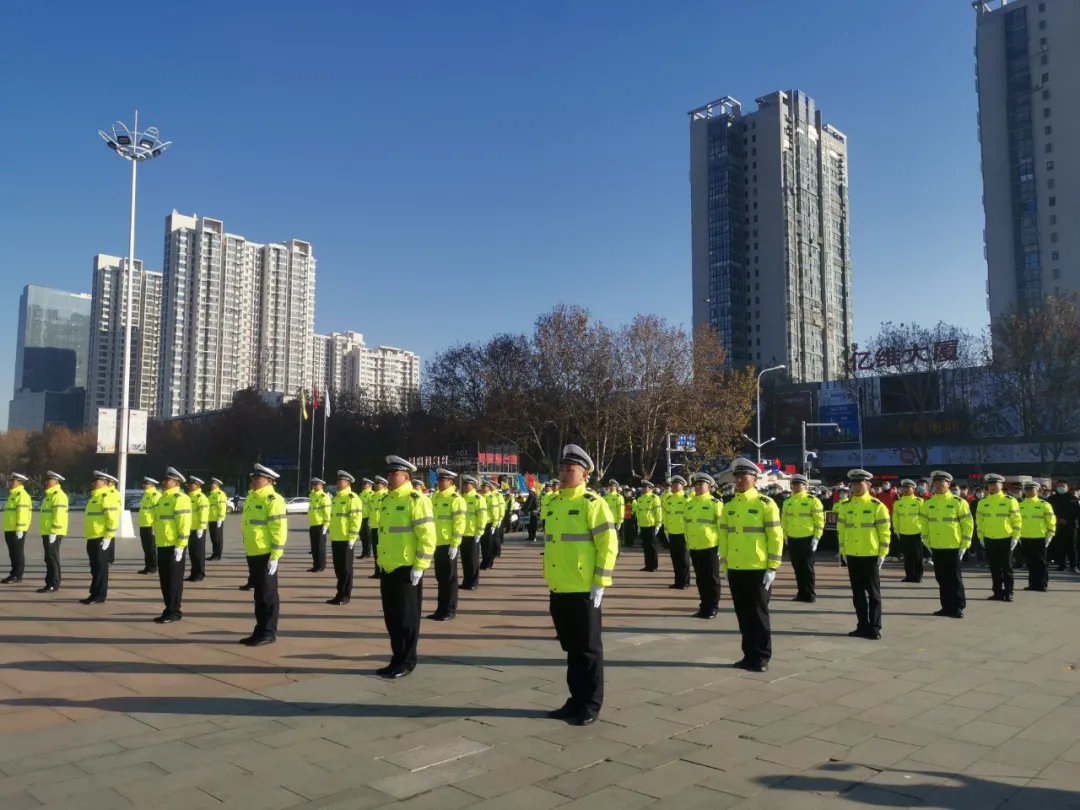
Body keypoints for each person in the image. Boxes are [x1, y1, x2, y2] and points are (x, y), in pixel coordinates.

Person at [544, 444, 618, 726]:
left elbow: (608, 545)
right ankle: (575, 699)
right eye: (562, 469)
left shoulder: (592, 503)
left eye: (570, 470)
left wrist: (601, 581)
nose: (564, 474)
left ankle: (591, 703)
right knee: (572, 649)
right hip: (559, 586)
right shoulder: (554, 502)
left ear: (584, 474)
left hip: (584, 588)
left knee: (588, 650)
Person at [374, 456, 436, 678]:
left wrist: (420, 565)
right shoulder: (387, 500)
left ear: (407, 477)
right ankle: (396, 657)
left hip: (406, 567)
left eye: (394, 474)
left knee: (407, 617)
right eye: (389, 474)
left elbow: (427, 536)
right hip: (388, 566)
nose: (390, 477)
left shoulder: (416, 500)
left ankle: (407, 660)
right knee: (392, 617)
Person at [720, 458, 783, 672]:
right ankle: (748, 654)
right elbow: (725, 538)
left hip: (758, 568)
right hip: (736, 568)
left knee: (758, 615)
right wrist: (725, 565)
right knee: (743, 615)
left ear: (754, 479)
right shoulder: (729, 506)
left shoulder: (765, 503)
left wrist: (773, 566)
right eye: (736, 477)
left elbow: (775, 536)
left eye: (743, 477)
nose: (738, 481)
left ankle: (762, 657)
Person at [836, 469, 890, 639]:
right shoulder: (845, 506)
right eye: (854, 483)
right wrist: (843, 551)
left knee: (873, 594)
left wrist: (883, 553)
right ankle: (862, 625)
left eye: (860, 483)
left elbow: (885, 531)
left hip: (870, 554)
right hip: (852, 554)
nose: (857, 486)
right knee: (857, 594)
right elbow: (841, 530)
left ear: (868, 485)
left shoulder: (877, 506)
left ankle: (874, 627)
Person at [240, 463, 287, 645]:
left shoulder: (273, 500)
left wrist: (275, 556)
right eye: (253, 478)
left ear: (269, 480)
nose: (253, 480)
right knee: (259, 594)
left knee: (267, 594)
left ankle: (268, 632)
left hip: (266, 553)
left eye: (257, 478)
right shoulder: (252, 498)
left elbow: (279, 530)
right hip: (253, 551)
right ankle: (259, 630)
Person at [920, 470, 974, 619]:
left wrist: (965, 544)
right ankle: (946, 606)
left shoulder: (958, 502)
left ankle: (957, 606)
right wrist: (927, 542)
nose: (938, 485)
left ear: (948, 484)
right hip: (936, 546)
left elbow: (968, 524)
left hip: (953, 546)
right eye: (936, 483)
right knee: (942, 578)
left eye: (941, 482)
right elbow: (923, 524)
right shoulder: (928, 504)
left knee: (954, 578)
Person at [153, 467, 191, 623]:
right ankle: (168, 608)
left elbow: (184, 523)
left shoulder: (180, 498)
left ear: (176, 482)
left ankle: (175, 611)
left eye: (167, 480)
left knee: (174, 580)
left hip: (174, 545)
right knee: (165, 580)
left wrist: (181, 545)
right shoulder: (163, 498)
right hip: (162, 543)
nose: (164, 482)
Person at [976, 473, 1021, 602]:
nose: (993, 487)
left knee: (1007, 568)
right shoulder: (983, 502)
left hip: (1006, 538)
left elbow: (1017, 521)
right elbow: (979, 521)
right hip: (989, 538)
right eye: (990, 484)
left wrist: (1015, 537)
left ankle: (1009, 592)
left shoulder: (1009, 501)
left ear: (1001, 485)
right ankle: (997, 592)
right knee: (994, 568)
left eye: (996, 484)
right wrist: (981, 537)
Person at [781, 474, 825, 603]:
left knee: (807, 567)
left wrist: (816, 537)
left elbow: (819, 521)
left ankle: (810, 593)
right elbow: (784, 520)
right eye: (794, 484)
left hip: (807, 538)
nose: (796, 487)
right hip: (793, 538)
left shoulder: (813, 500)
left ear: (805, 486)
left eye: (799, 484)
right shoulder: (787, 502)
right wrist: (786, 537)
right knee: (797, 567)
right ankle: (801, 593)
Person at [429, 468, 466, 620]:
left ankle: (450, 610)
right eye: (438, 480)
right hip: (437, 543)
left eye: (442, 480)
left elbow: (459, 523)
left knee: (450, 578)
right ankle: (440, 608)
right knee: (440, 577)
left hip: (448, 544)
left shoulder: (456, 499)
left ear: (450, 482)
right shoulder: (436, 497)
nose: (439, 483)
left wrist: (455, 544)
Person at [684, 472, 722, 618]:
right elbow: (687, 525)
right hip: (695, 546)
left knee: (712, 578)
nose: (698, 487)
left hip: (711, 546)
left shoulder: (715, 504)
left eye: (702, 484)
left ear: (709, 486)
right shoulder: (690, 504)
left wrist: (721, 547)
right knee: (700, 579)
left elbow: (721, 527)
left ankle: (713, 606)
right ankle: (704, 605)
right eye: (696, 484)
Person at [82, 471, 119, 604]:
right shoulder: (94, 497)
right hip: (92, 536)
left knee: (101, 568)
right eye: (94, 480)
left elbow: (112, 519)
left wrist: (108, 536)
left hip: (101, 538)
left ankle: (100, 595)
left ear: (104, 483)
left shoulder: (106, 497)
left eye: (98, 480)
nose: (94, 482)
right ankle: (94, 593)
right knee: (94, 567)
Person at [327, 471, 362, 605]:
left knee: (346, 569)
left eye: (340, 481)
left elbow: (356, 519)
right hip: (336, 538)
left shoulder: (352, 498)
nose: (337, 483)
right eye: (337, 481)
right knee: (338, 568)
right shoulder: (336, 498)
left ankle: (345, 595)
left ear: (347, 483)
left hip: (346, 539)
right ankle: (339, 593)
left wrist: (353, 537)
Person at [1019, 480, 1055, 592]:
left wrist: (1050, 535)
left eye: (1032, 489)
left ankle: (1042, 584)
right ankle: (1032, 584)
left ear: (1038, 491)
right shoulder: (1020, 505)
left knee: (1041, 563)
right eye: (1027, 489)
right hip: (1025, 537)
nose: (1030, 491)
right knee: (1030, 563)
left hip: (1040, 537)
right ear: (1024, 491)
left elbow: (1051, 521)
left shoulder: (1044, 504)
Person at [37, 471, 69, 593]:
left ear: (56, 481)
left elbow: (59, 515)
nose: (47, 482)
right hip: (47, 531)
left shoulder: (58, 495)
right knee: (49, 557)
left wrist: (54, 531)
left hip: (54, 532)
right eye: (47, 480)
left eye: (49, 480)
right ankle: (49, 582)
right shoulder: (49, 495)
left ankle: (54, 583)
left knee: (52, 557)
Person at [2, 472, 32, 584]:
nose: (10, 482)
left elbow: (22, 514)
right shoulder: (13, 495)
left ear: (19, 482)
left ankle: (17, 575)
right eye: (10, 480)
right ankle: (13, 573)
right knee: (12, 553)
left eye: (13, 481)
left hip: (17, 529)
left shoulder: (22, 496)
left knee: (17, 552)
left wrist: (20, 529)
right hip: (10, 529)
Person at [459, 475, 487, 590]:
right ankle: (466, 581)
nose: (465, 486)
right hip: (462, 534)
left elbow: (482, 517)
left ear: (473, 485)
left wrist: (479, 532)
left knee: (473, 560)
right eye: (464, 484)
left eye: (467, 484)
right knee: (465, 560)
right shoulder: (461, 498)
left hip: (473, 534)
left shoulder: (478, 499)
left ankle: (473, 582)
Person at [663, 476, 691, 589]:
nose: (673, 486)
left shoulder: (687, 500)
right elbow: (666, 516)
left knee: (684, 560)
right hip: (672, 533)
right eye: (672, 484)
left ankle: (685, 582)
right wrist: (666, 530)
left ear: (683, 486)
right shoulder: (668, 500)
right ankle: (678, 582)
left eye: (676, 484)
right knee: (675, 559)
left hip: (683, 534)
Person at [893, 479, 924, 583]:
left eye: (908, 487)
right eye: (904, 487)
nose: (905, 490)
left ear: (913, 489)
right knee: (907, 556)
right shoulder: (898, 503)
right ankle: (909, 576)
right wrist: (896, 530)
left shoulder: (919, 501)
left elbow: (924, 518)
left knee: (917, 556)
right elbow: (895, 518)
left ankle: (918, 576)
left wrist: (924, 531)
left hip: (917, 532)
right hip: (903, 532)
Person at [1046, 480, 1079, 573]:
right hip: (1057, 525)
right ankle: (1061, 565)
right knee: (1059, 546)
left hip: (1071, 526)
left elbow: (1076, 512)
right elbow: (1049, 512)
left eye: (1063, 486)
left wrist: (1067, 519)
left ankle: (1074, 566)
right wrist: (1057, 519)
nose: (1061, 487)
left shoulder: (1073, 498)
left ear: (1067, 487)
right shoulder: (1051, 499)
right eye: (1059, 486)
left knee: (1072, 546)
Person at [632, 481, 663, 572]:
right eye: (643, 487)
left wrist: (658, 525)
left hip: (651, 525)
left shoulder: (655, 498)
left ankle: (654, 566)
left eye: (646, 487)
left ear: (651, 488)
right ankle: (647, 565)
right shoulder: (640, 498)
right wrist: (638, 525)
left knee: (652, 546)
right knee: (645, 546)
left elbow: (658, 512)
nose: (644, 488)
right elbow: (638, 512)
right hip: (643, 525)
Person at [185, 477, 210, 582]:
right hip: (189, 528)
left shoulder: (201, 497)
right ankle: (193, 573)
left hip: (198, 529)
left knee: (198, 553)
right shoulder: (188, 497)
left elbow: (203, 514)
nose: (190, 486)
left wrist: (201, 527)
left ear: (198, 485)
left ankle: (200, 574)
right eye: (189, 484)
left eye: (192, 484)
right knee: (192, 552)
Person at [307, 477, 332, 573]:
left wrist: (326, 525)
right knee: (314, 547)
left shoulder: (324, 497)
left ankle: (321, 566)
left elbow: (327, 512)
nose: (314, 486)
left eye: (316, 484)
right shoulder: (312, 496)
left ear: (321, 486)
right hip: (313, 524)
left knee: (320, 547)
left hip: (321, 525)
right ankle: (315, 565)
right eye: (313, 484)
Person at [137, 477, 161, 575]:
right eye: (144, 483)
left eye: (146, 484)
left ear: (152, 485)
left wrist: (156, 526)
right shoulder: (146, 495)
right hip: (144, 524)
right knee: (146, 547)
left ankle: (153, 567)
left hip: (151, 525)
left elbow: (158, 511)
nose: (144, 485)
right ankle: (148, 566)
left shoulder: (155, 495)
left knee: (151, 547)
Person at [368, 476, 388, 578]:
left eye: (378, 483)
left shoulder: (387, 496)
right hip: (374, 527)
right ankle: (377, 571)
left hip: (383, 528)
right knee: (375, 551)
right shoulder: (373, 496)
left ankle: (384, 571)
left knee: (383, 550)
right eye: (376, 483)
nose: (376, 485)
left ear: (384, 485)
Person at [480, 480, 500, 570]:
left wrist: (494, 524)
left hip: (489, 524)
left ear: (489, 488)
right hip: (481, 524)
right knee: (483, 545)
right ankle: (485, 561)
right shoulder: (480, 497)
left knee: (488, 545)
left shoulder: (492, 498)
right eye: (482, 486)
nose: (483, 488)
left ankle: (487, 563)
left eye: (485, 487)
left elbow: (495, 512)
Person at [207, 478, 229, 561]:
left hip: (217, 519)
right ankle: (214, 553)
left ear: (218, 485)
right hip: (211, 519)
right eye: (211, 484)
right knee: (213, 538)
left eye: (214, 484)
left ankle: (218, 555)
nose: (211, 485)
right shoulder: (211, 494)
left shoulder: (220, 494)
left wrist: (220, 518)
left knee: (217, 538)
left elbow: (222, 507)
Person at [358, 477, 375, 558]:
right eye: (363, 484)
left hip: (367, 518)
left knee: (367, 536)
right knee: (362, 536)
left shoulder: (371, 494)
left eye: (365, 484)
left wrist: (370, 519)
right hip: (361, 518)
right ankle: (363, 552)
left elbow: (372, 508)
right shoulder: (361, 494)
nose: (363, 485)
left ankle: (367, 553)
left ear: (370, 485)